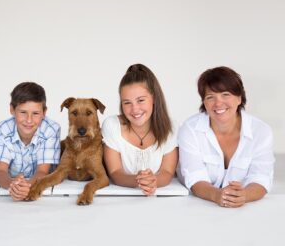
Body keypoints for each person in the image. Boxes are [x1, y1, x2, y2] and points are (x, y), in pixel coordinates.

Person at [178, 66, 275, 208]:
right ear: (204, 102)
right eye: (210, 97)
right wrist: (217, 195)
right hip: (197, 207)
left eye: (225, 94)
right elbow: (194, 177)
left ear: (239, 98)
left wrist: (244, 195)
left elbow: (261, 177)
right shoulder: (190, 129)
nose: (218, 103)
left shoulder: (261, 131)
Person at [102, 64, 178, 196]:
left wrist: (153, 181)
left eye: (141, 100)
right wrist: (138, 181)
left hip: (160, 201)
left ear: (154, 98)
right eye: (127, 102)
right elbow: (115, 172)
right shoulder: (112, 125)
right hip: (118, 200)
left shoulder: (171, 127)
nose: (135, 109)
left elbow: (167, 172)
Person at [0, 82, 61, 201]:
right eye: (23, 112)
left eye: (35, 113)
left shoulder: (51, 130)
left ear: (44, 113)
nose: (29, 120)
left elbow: (42, 171)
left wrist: (28, 187)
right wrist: (13, 185)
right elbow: (0, 171)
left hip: (42, 189)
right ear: (12, 110)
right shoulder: (2, 129)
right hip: (11, 183)